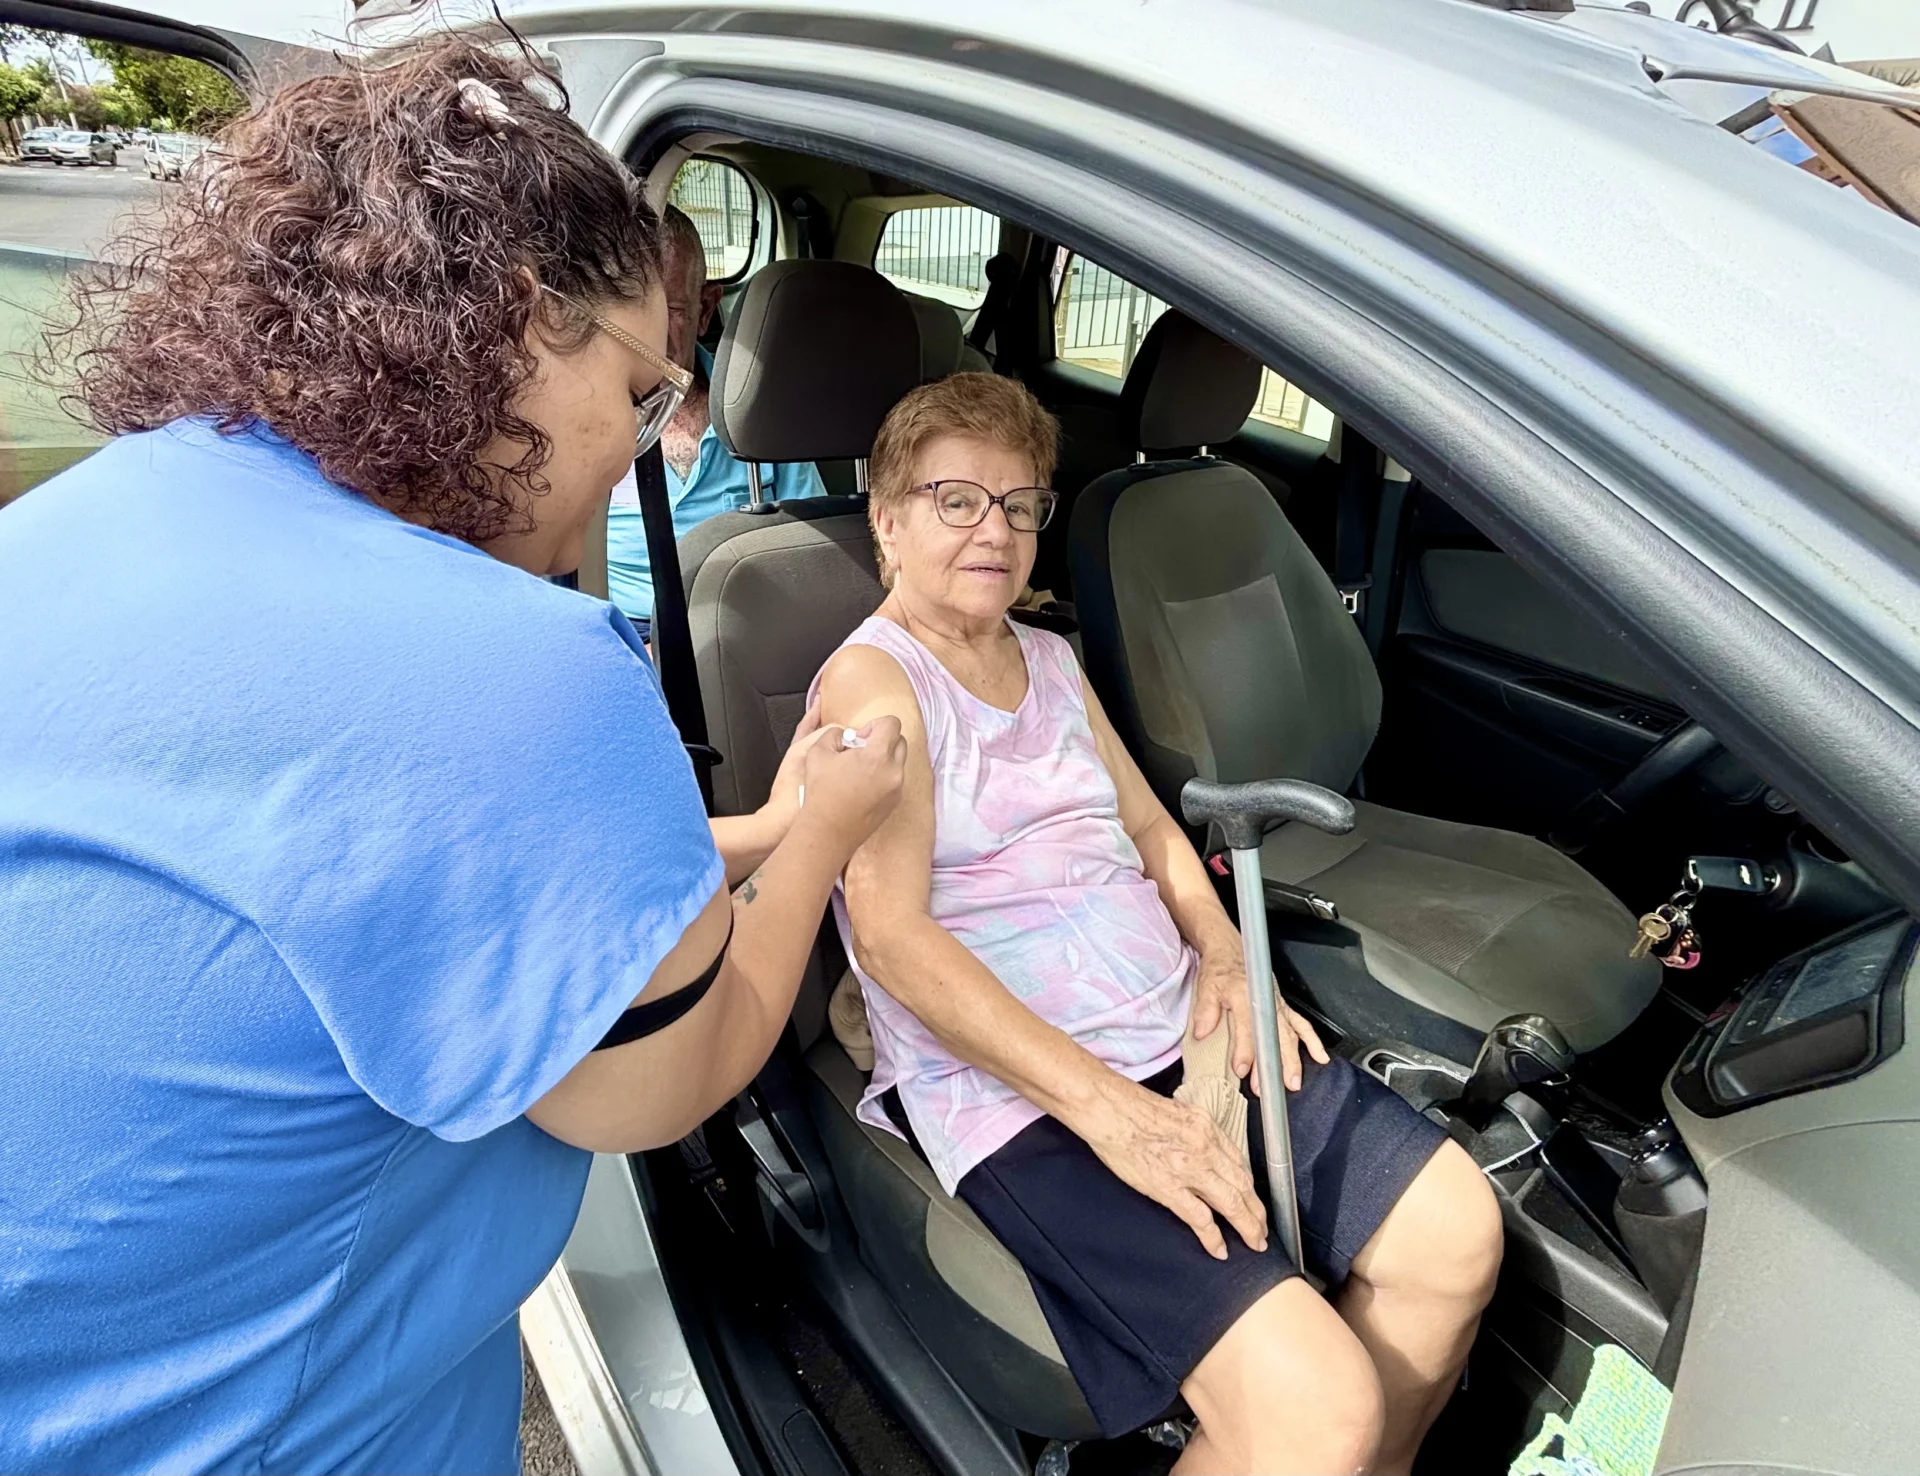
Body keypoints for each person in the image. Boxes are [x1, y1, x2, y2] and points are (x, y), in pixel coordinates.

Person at [0, 37, 905, 1476]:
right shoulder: (511, 669)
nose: (636, 447)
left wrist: (753, 831)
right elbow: (665, 1082)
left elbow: (360, 872)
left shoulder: (104, 505)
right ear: (534, 322)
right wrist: (831, 831)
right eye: (646, 391)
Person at [812, 374, 1504, 1476]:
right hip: (1027, 1092)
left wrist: (1227, 960)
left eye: (1020, 504)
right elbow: (892, 938)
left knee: (1454, 1235)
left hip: (1177, 1019)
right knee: (1316, 1410)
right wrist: (1117, 1118)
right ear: (887, 522)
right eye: (956, 500)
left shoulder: (1048, 657)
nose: (996, 530)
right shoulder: (874, 684)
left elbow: (1148, 829)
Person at [606, 205, 826, 639]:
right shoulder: (585, 416)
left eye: (670, 308)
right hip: (625, 632)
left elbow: (810, 547)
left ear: (705, 308)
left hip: (746, 632)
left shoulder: (761, 411)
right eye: (627, 308)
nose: (646, 332)